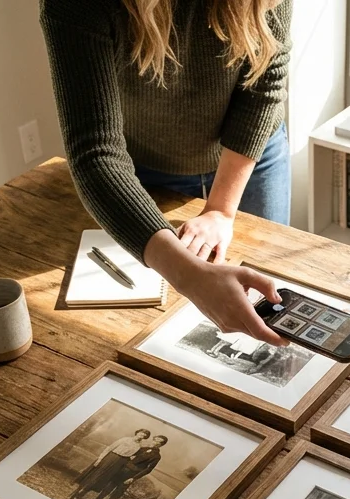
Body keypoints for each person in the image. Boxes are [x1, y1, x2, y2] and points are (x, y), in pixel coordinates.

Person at [39, 0, 293, 345]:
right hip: (142, 169)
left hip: (250, 154)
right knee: (155, 329)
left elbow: (265, 85)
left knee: (269, 300)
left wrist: (221, 208)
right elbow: (95, 149)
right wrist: (190, 277)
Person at [70, 429, 151, 499]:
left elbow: (134, 457)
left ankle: (80, 496)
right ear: (137, 432)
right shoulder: (125, 439)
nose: (142, 435)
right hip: (110, 458)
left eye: (144, 435)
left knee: (101, 479)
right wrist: (100, 459)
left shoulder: (139, 447)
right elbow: (109, 448)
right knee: (93, 475)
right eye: (141, 433)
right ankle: (74, 494)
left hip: (120, 462)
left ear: (145, 437)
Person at [94, 435, 168, 499]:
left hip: (131, 474)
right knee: (108, 487)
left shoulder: (156, 456)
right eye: (155, 440)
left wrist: (133, 478)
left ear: (161, 445)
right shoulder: (143, 448)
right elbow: (129, 455)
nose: (156, 442)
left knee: (118, 492)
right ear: (153, 440)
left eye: (159, 442)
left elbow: (148, 469)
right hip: (122, 470)